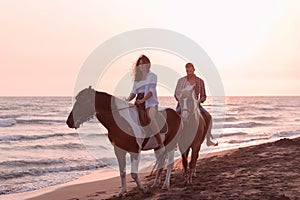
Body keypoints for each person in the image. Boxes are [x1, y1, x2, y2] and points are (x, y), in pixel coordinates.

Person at [125, 55, 164, 150]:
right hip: (138, 102)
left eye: (144, 63)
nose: (142, 66)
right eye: (140, 64)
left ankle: (160, 143)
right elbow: (133, 92)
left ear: (148, 65)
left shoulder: (152, 76)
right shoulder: (137, 78)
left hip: (150, 103)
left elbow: (151, 91)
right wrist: (126, 100)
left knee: (150, 116)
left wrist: (143, 100)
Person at [174, 62, 217, 146]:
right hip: (183, 105)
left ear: (193, 70)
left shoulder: (200, 81)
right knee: (174, 118)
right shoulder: (181, 81)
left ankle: (208, 139)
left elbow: (204, 95)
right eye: (187, 71)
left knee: (208, 117)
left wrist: (199, 101)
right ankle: (174, 142)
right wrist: (181, 100)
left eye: (190, 71)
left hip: (196, 105)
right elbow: (176, 93)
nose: (189, 73)